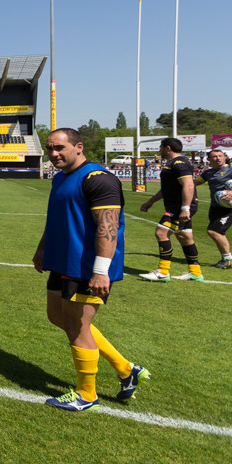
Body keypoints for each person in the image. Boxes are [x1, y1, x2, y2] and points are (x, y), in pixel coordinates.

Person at [33, 128, 147, 411]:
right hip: (62, 260)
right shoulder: (59, 178)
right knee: (57, 316)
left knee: (76, 325)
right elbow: (57, 218)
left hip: (85, 266)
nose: (54, 154)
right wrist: (42, 247)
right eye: (49, 148)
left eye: (60, 148)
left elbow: (107, 228)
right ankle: (126, 369)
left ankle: (87, 394)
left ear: (79, 147)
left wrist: (100, 271)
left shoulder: (98, 179)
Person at [139, 137, 203, 282]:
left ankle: (162, 272)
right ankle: (196, 272)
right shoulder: (172, 163)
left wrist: (185, 208)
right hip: (177, 206)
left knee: (161, 233)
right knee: (185, 238)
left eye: (161, 147)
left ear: (167, 148)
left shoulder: (179, 163)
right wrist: (150, 202)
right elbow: (166, 189)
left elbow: (189, 185)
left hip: (180, 207)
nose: (159, 150)